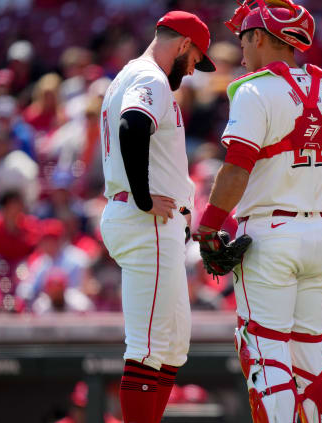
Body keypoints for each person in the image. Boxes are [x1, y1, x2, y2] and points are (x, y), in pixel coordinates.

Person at [193, 1, 322, 421]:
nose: (241, 48)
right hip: (318, 234)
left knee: (265, 353)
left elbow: (235, 170)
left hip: (268, 234)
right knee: (311, 357)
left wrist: (207, 229)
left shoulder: (254, 90)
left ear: (258, 37)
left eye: (243, 36)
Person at [98, 10, 215, 423]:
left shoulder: (131, 74)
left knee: (171, 345)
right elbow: (133, 126)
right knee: (149, 345)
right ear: (183, 44)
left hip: (147, 219)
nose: (196, 68)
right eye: (197, 57)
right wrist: (145, 198)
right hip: (144, 218)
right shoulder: (150, 77)